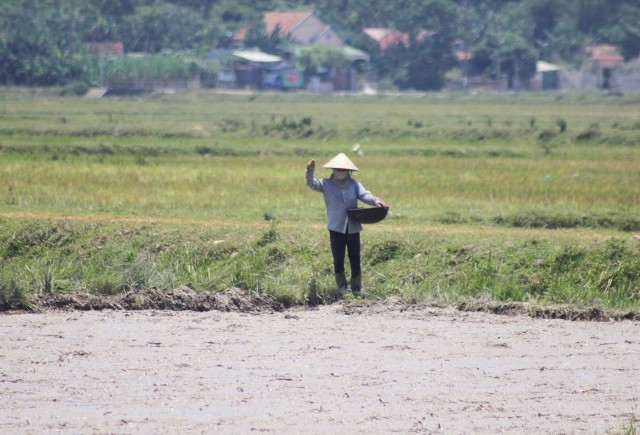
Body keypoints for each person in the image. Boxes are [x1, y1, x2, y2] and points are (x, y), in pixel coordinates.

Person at [305, 153, 387, 295]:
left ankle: (356, 288)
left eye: (343, 169)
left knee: (355, 256)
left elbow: (365, 195)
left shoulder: (354, 184)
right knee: (338, 257)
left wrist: (376, 201)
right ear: (333, 169)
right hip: (336, 227)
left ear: (349, 170)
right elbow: (311, 183)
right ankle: (341, 287)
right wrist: (310, 170)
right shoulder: (326, 184)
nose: (341, 171)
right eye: (338, 168)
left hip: (353, 226)